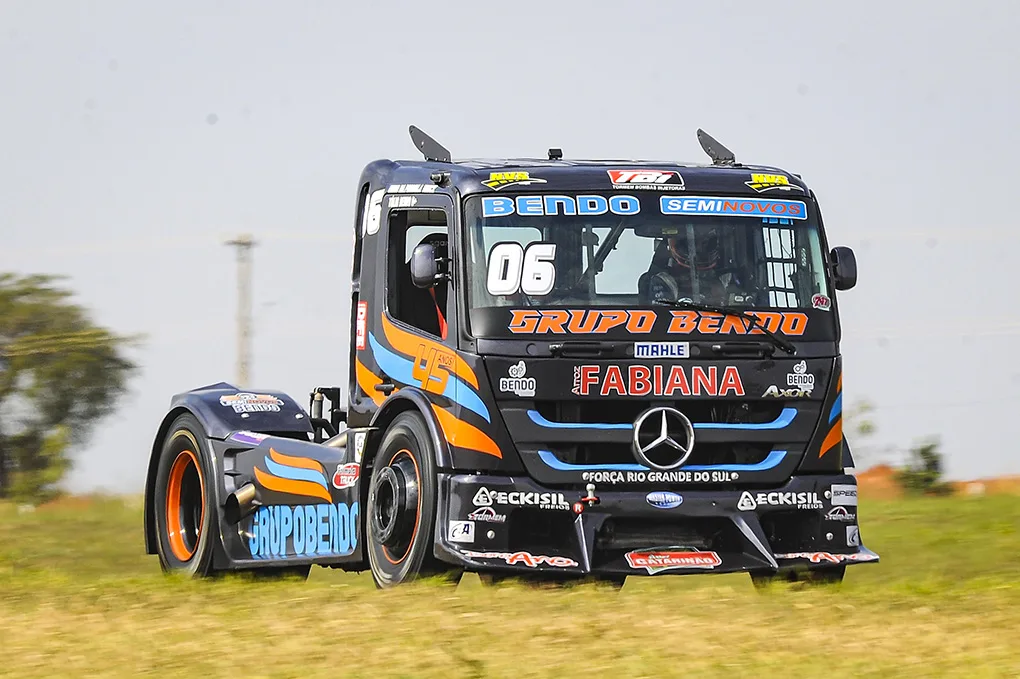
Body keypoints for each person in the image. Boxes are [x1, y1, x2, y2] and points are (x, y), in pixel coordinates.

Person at [640, 224, 753, 305]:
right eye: (687, 243)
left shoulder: (730, 277)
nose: (697, 249)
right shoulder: (664, 280)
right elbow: (662, 318)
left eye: (706, 243)